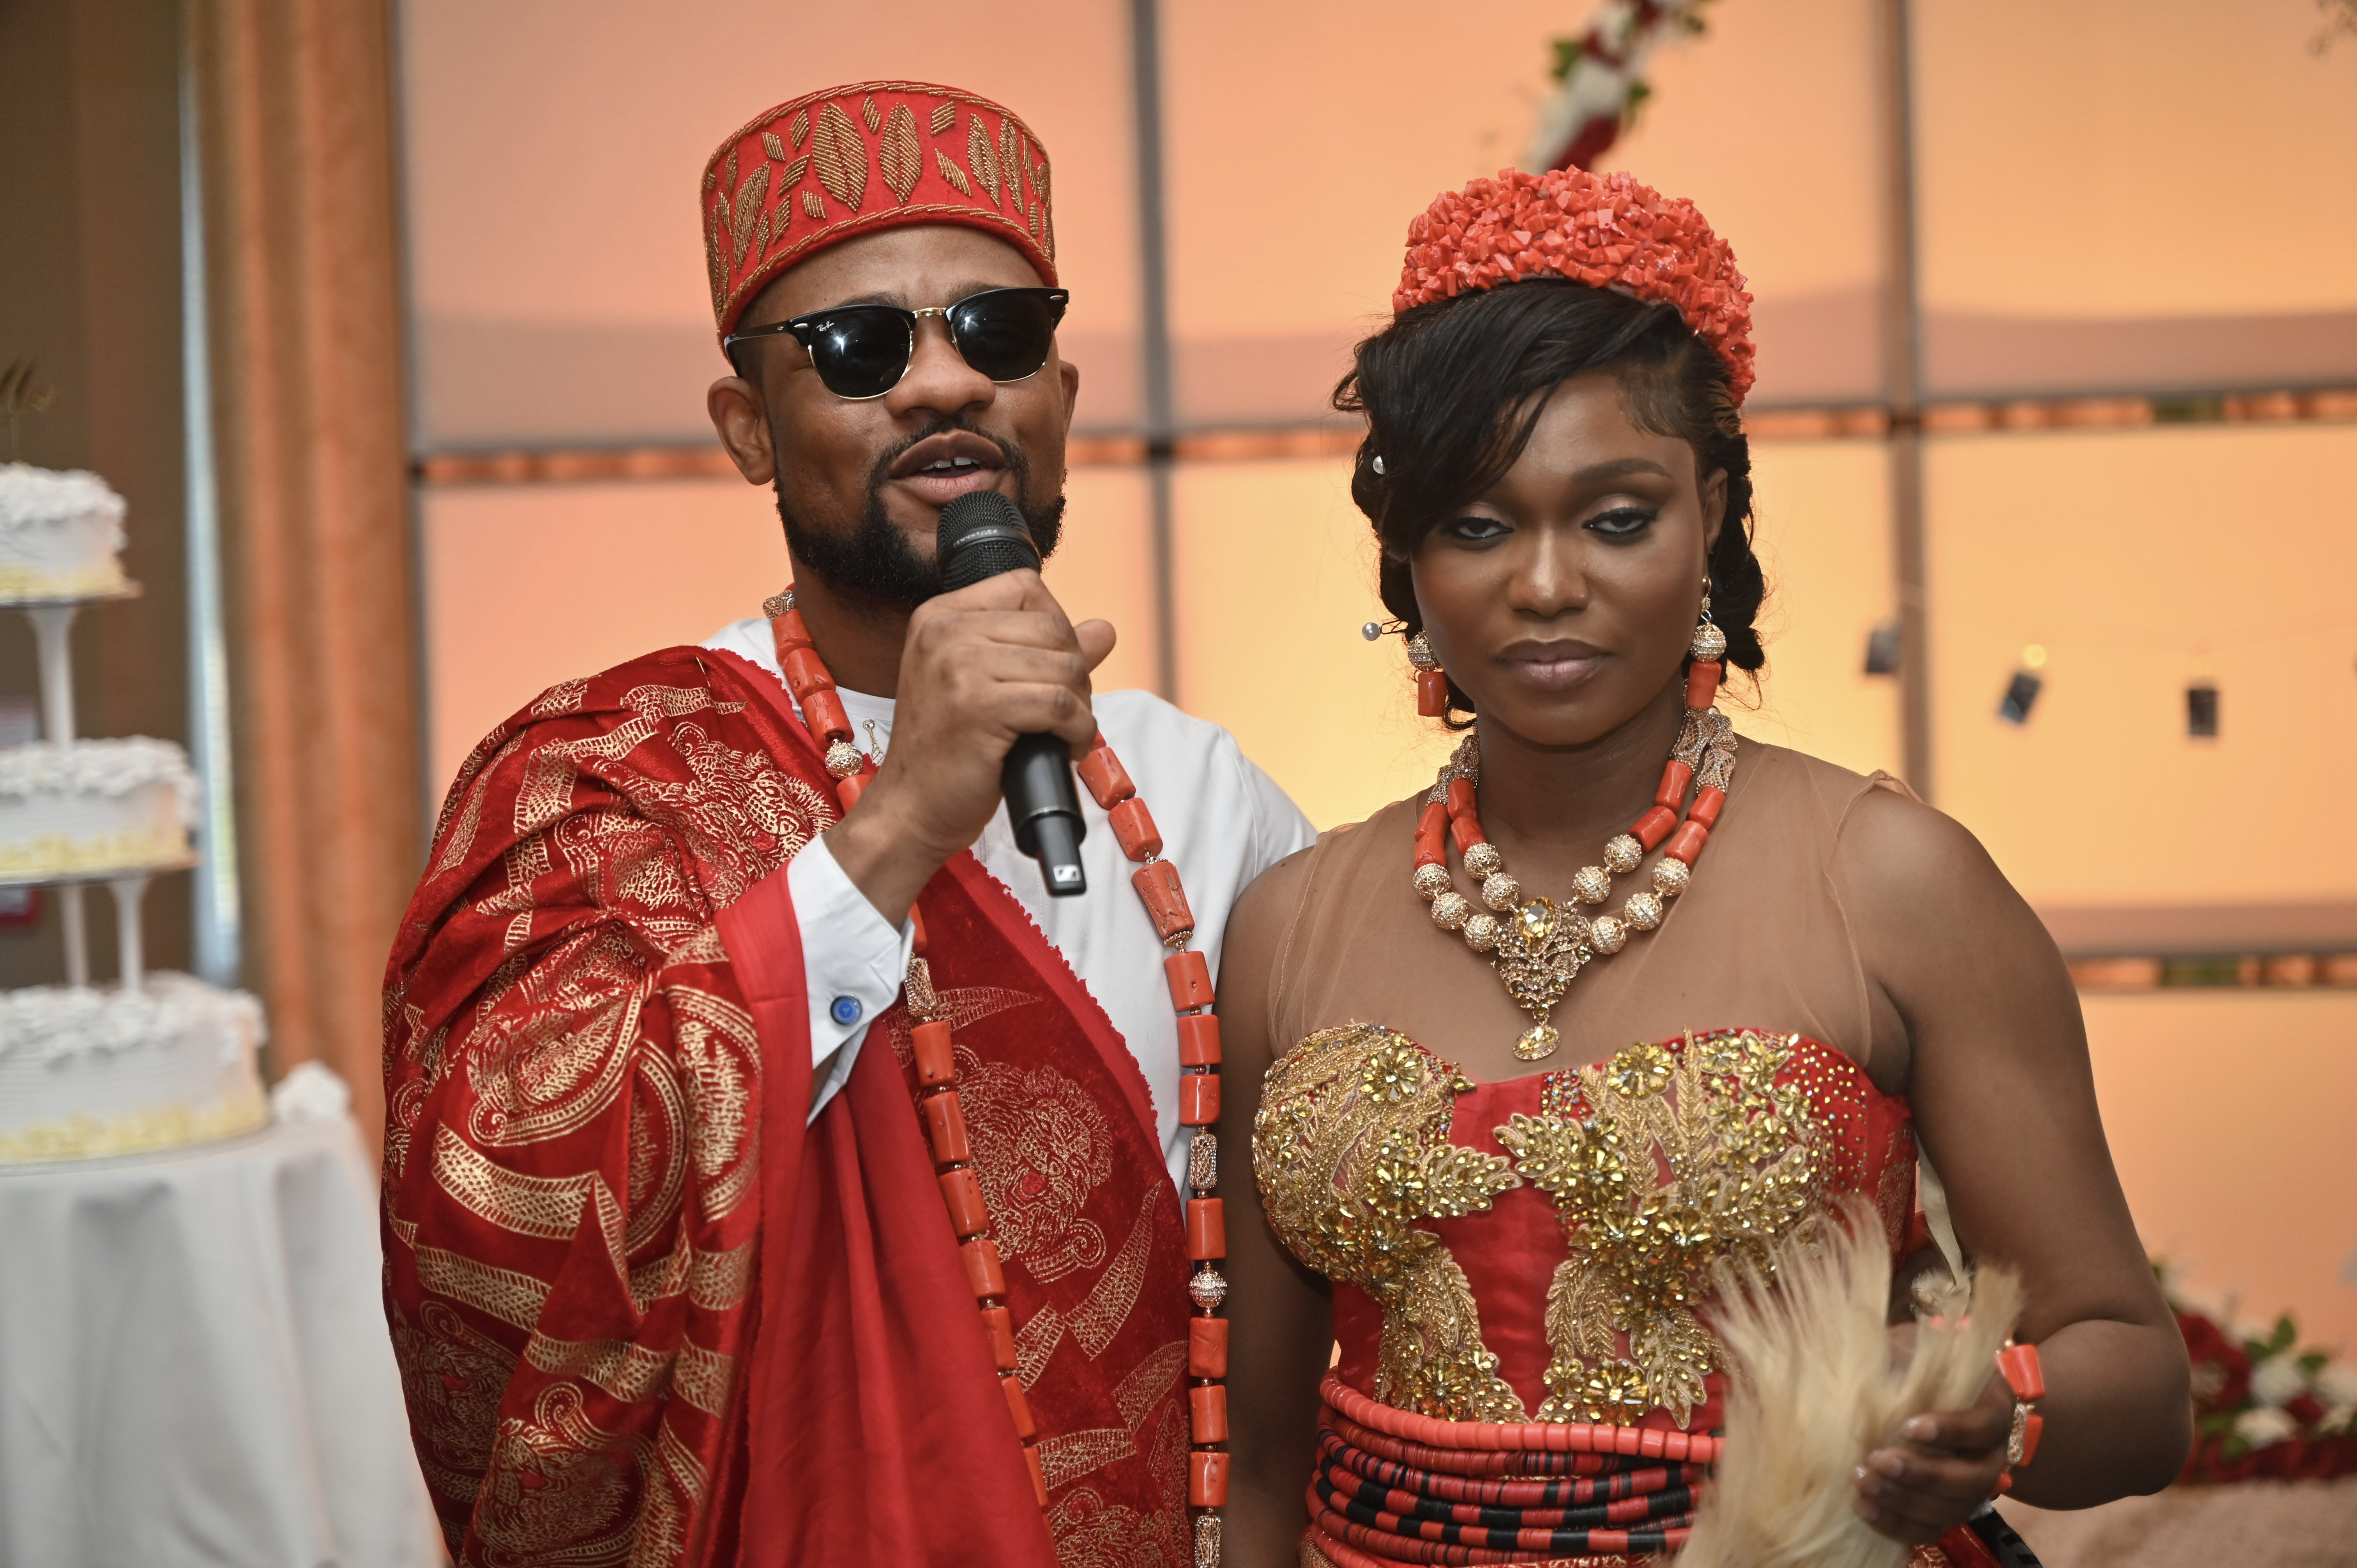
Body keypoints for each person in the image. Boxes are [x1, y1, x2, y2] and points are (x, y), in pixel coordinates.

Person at [382, 81, 1312, 1568]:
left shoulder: (1205, 794)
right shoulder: (594, 787)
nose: (945, 385)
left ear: (1061, 402)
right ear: (750, 430)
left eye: (998, 334)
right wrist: (891, 829)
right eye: (860, 349)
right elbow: (498, 1262)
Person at [1215, 167, 2192, 1568]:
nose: (1547, 584)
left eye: (1617, 518)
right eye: (1479, 526)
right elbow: (1262, 1467)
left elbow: (2138, 1382)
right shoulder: (1291, 927)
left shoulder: (1894, 882)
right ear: (1407, 557)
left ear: (1712, 513)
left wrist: (2000, 1414)